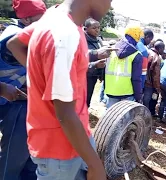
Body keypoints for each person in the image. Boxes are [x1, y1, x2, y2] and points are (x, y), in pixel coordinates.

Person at [7, 0, 112, 179]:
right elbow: (64, 113)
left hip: (76, 135)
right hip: (60, 147)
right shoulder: (65, 35)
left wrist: (41, 76)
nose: (109, 6)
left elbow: (14, 44)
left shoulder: (54, 16)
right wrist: (96, 165)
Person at [0, 0, 46, 179]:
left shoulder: (30, 36)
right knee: (14, 156)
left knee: (29, 155)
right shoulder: (14, 39)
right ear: (26, 20)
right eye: (41, 19)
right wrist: (2, 87)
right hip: (11, 104)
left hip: (19, 101)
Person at [104, 26, 143, 108]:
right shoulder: (137, 55)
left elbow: (104, 69)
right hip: (127, 93)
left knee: (110, 118)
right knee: (125, 119)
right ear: (137, 37)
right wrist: (138, 96)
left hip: (111, 90)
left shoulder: (111, 50)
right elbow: (136, 79)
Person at [84, 18, 110, 108]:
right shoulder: (82, 39)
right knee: (84, 96)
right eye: (94, 28)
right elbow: (83, 55)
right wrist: (95, 63)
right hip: (85, 73)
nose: (97, 30)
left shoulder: (98, 40)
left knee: (89, 94)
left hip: (95, 73)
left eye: (99, 27)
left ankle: (85, 109)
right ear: (86, 28)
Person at [143, 41, 165, 113]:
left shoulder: (148, 52)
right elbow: (156, 75)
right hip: (149, 83)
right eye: (163, 49)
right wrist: (157, 88)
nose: (163, 51)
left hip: (143, 79)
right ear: (160, 48)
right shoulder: (157, 58)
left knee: (142, 99)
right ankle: (145, 116)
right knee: (147, 101)